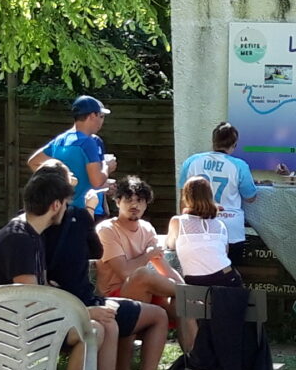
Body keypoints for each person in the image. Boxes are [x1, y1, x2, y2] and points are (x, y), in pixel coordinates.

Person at [0, 162, 165, 370]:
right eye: (65, 204)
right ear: (56, 205)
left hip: (22, 321)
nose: (68, 209)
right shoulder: (19, 238)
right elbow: (29, 302)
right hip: (8, 330)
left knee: (105, 324)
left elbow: (37, 292)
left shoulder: (30, 234)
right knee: (94, 328)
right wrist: (84, 311)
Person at [165, 176, 238, 355]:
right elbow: (224, 252)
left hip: (198, 286)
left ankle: (195, 360)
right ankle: (205, 358)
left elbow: (170, 245)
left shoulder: (177, 222)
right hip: (229, 280)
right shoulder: (220, 225)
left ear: (186, 197)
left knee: (181, 303)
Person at [175, 122, 259, 262]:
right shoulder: (239, 166)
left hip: (198, 227)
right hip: (230, 230)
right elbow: (250, 197)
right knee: (229, 274)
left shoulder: (192, 161)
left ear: (213, 141)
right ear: (234, 144)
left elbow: (183, 197)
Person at [95, 174, 179, 304]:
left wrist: (185, 288)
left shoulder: (147, 228)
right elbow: (125, 272)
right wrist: (148, 255)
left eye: (139, 200)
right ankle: (186, 293)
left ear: (146, 205)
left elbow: (165, 269)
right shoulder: (106, 229)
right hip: (114, 297)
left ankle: (188, 294)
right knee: (142, 275)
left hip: (145, 290)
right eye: (128, 200)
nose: (134, 205)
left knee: (180, 305)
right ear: (118, 202)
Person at [31, 96, 114, 214]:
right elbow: (97, 181)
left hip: (61, 210)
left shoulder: (60, 140)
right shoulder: (88, 142)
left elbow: (33, 162)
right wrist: (107, 167)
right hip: (87, 211)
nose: (102, 121)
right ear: (92, 116)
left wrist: (55, 182)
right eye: (101, 116)